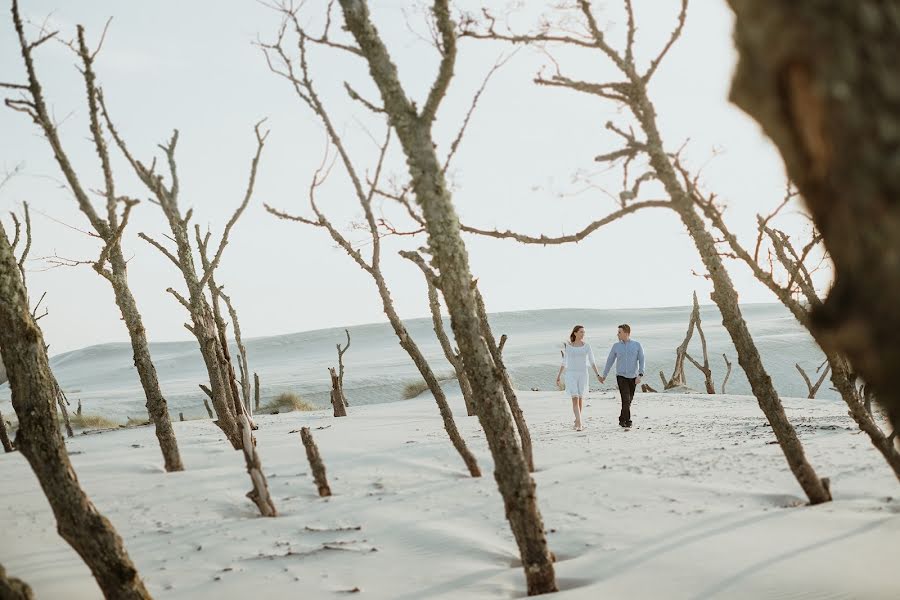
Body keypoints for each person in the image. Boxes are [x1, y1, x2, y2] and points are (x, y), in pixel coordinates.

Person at [556, 325, 602, 431]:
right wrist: (558, 376)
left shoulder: (587, 346)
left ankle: (577, 420)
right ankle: (580, 423)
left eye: (584, 332)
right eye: (581, 332)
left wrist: (598, 375)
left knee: (580, 398)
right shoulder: (569, 346)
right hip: (571, 374)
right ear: (575, 333)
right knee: (575, 398)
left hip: (583, 374)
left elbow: (592, 361)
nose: (583, 334)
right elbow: (564, 362)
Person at [599, 323, 645, 428]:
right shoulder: (616, 346)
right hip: (621, 376)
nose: (617, 334)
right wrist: (604, 375)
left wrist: (640, 374)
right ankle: (628, 421)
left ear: (626, 333)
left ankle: (621, 418)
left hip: (633, 377)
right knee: (625, 399)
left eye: (619, 332)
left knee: (629, 400)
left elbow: (642, 360)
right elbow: (609, 361)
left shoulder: (637, 345)